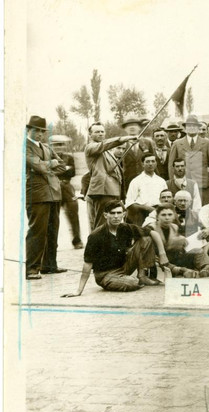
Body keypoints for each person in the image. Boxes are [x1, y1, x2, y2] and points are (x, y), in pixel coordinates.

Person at [62, 200, 159, 294]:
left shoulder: (125, 227)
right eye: (112, 213)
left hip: (124, 267)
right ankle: (127, 280)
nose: (116, 216)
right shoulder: (96, 235)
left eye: (119, 213)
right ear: (105, 215)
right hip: (105, 274)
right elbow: (88, 263)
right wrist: (79, 290)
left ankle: (141, 276)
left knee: (146, 239)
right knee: (132, 283)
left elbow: (151, 232)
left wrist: (163, 255)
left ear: (124, 214)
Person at [24, 116, 65, 279]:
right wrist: (50, 164)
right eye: (37, 131)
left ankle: (49, 266)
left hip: (54, 193)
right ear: (29, 130)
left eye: (43, 131)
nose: (40, 134)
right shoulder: (24, 147)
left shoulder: (47, 147)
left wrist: (46, 166)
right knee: (37, 231)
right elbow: (36, 165)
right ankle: (32, 268)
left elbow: (62, 165)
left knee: (53, 231)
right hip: (37, 195)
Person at [151, 205, 209, 278]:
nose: (167, 218)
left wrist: (181, 241)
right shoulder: (152, 227)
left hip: (176, 257)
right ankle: (184, 271)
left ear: (174, 216)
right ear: (157, 216)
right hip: (161, 261)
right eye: (163, 215)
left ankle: (207, 268)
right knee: (167, 266)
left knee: (198, 251)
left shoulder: (174, 227)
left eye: (169, 215)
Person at [84, 122, 136, 229]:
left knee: (112, 225)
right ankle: (97, 246)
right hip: (102, 191)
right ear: (90, 135)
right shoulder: (90, 147)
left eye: (102, 131)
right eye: (97, 132)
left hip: (112, 192)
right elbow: (103, 145)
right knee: (102, 225)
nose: (100, 134)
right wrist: (123, 139)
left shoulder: (106, 151)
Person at [167, 115, 209, 207]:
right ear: (185, 128)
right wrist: (172, 183)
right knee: (184, 210)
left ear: (198, 128)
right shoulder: (177, 143)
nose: (191, 128)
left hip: (202, 184)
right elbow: (171, 165)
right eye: (189, 126)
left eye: (194, 126)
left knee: (203, 210)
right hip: (183, 183)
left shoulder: (206, 143)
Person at [51, 135, 84, 249]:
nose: (59, 147)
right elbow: (49, 172)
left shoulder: (69, 157)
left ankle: (77, 240)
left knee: (73, 214)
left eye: (61, 145)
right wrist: (64, 168)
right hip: (53, 187)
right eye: (56, 145)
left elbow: (72, 172)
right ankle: (52, 244)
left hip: (67, 187)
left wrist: (59, 169)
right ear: (52, 146)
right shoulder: (48, 157)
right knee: (53, 217)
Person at [124, 152, 168, 226]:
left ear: (156, 163)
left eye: (153, 161)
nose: (150, 164)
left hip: (159, 212)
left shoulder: (161, 181)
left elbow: (167, 199)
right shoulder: (136, 181)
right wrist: (147, 208)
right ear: (142, 164)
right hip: (142, 213)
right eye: (147, 161)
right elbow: (129, 203)